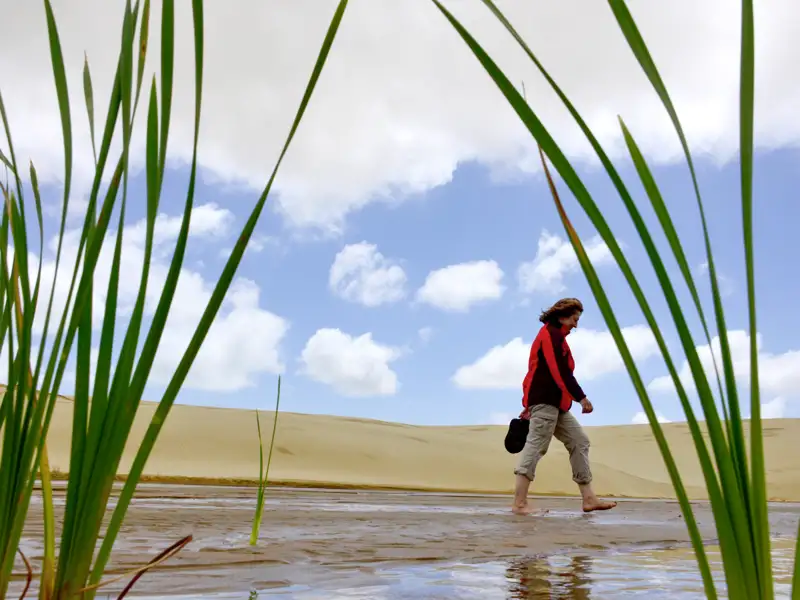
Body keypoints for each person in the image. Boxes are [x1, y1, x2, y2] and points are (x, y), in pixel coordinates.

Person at [511, 297, 617, 515]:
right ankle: (519, 504)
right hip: (546, 402)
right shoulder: (549, 335)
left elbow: (539, 372)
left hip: (556, 404)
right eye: (574, 319)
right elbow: (560, 372)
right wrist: (581, 398)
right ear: (562, 315)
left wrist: (530, 402)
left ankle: (589, 499)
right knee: (536, 445)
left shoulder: (558, 337)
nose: (576, 324)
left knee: (580, 441)